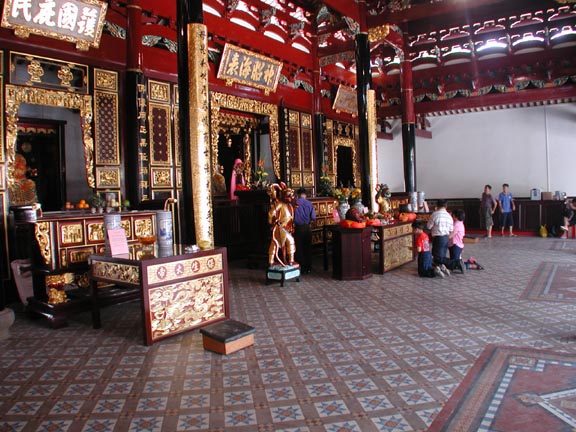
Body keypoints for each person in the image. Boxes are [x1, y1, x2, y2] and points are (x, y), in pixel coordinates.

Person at [427, 199, 462, 272]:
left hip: (438, 238)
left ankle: (456, 263)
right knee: (441, 256)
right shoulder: (449, 216)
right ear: (446, 206)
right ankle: (440, 269)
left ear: (437, 206)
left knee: (437, 257)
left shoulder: (435, 214)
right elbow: (451, 229)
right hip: (446, 238)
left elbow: (428, 226)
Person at [293, 188, 316, 273]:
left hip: (297, 228)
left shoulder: (294, 203)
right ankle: (308, 268)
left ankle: (299, 268)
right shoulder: (309, 204)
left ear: (297, 194)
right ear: (305, 195)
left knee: (298, 249)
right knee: (307, 248)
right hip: (307, 228)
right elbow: (313, 217)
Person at [448, 209, 466, 274]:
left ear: (455, 216)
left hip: (456, 244)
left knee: (455, 260)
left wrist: (445, 237)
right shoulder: (460, 223)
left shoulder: (456, 224)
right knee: (453, 258)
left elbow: (451, 234)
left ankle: (463, 266)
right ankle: (454, 267)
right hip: (457, 244)